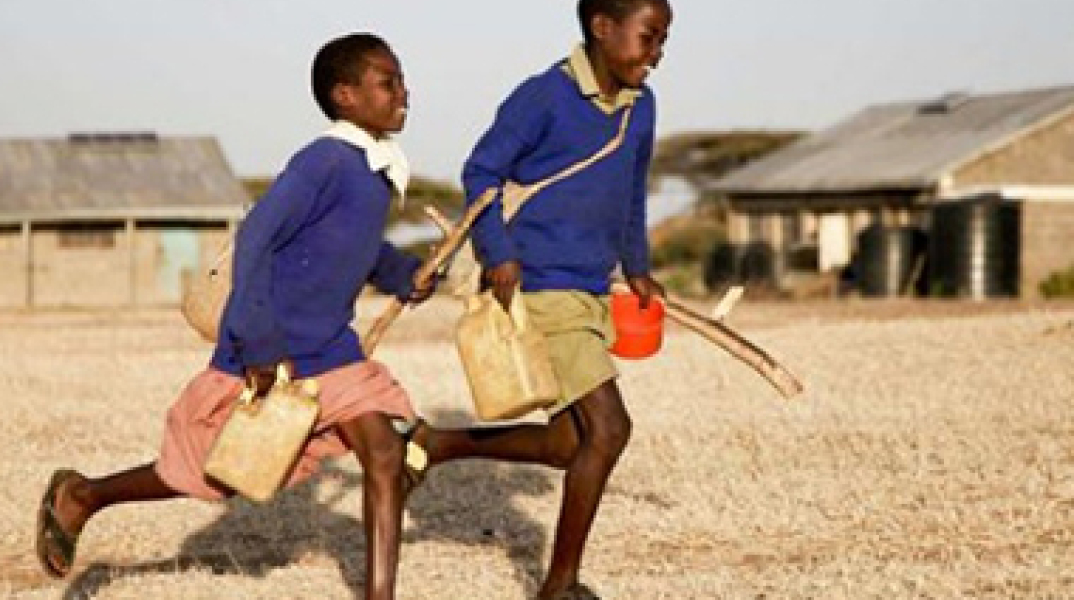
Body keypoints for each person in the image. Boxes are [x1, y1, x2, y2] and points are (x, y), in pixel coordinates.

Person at [35, 32, 431, 600]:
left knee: (386, 453)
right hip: (277, 346)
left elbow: (359, 249)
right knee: (213, 472)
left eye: (402, 80)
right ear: (344, 95)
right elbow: (257, 238)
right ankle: (83, 496)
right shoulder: (324, 160)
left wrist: (405, 275)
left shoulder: (375, 171)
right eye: (387, 81)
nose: (404, 92)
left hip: (332, 351)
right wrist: (260, 340)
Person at [406, 1, 673, 598]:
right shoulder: (543, 96)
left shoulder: (641, 107)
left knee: (567, 443)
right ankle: (559, 585)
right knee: (609, 431)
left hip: (590, 289)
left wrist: (637, 266)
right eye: (649, 37)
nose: (657, 53)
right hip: (540, 286)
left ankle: (438, 443)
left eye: (663, 41)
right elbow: (481, 172)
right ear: (602, 29)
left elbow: (631, 192)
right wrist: (497, 252)